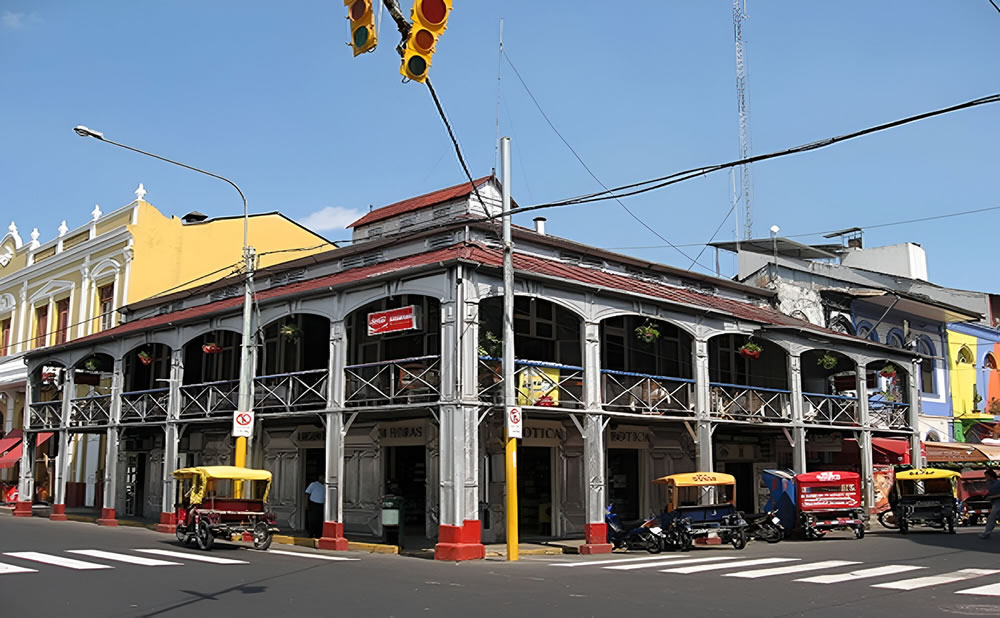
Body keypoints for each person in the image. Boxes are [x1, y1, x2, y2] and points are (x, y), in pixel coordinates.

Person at [979, 469, 1000, 539]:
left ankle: (986, 534)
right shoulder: (989, 484)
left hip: (998, 503)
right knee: (992, 518)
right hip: (994, 503)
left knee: (992, 518)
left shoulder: (998, 483)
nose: (986, 478)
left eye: (987, 477)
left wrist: (991, 497)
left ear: (991, 476)